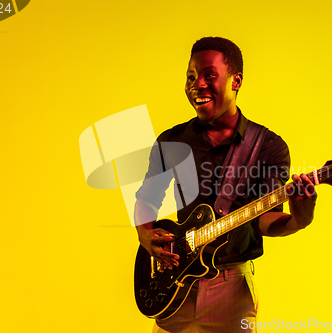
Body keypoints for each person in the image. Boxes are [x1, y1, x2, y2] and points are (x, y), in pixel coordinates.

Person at [134, 37, 317, 333]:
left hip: (231, 287)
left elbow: (264, 220)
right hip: (175, 283)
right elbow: (146, 199)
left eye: (209, 76)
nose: (197, 85)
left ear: (236, 81)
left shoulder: (267, 147)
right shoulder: (170, 141)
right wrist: (144, 235)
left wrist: (299, 219)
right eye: (191, 77)